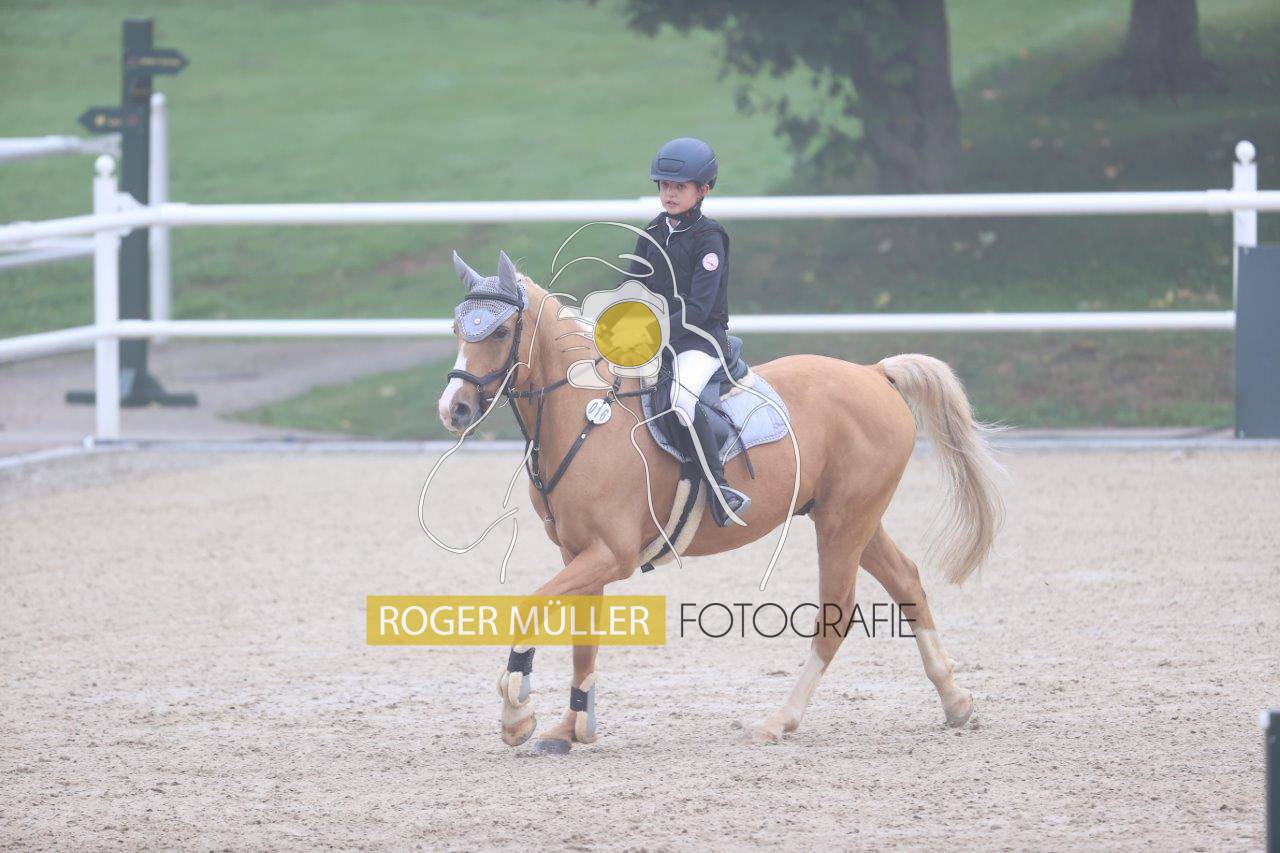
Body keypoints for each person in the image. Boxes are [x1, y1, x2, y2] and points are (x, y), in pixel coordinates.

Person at [623, 137, 750, 528]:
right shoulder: (653, 230)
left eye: (679, 187)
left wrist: (652, 331)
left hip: (700, 340)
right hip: (657, 339)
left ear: (703, 189)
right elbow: (632, 286)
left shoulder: (709, 238)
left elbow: (699, 308)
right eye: (664, 186)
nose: (669, 194)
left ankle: (720, 488)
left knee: (681, 400)